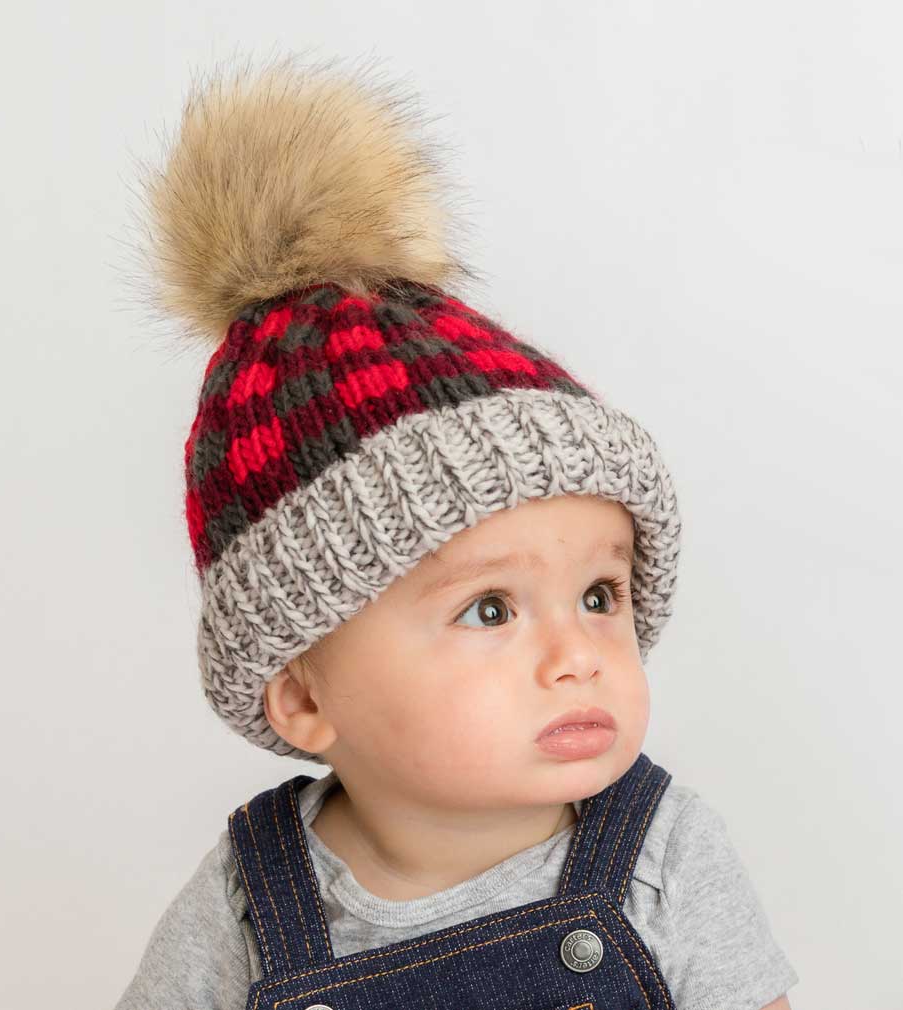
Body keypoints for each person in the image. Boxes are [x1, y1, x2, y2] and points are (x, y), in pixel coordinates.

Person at [115, 52, 798, 1010]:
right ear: (304, 695)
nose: (578, 657)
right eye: (490, 609)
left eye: (599, 596)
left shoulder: (662, 857)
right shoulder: (249, 907)